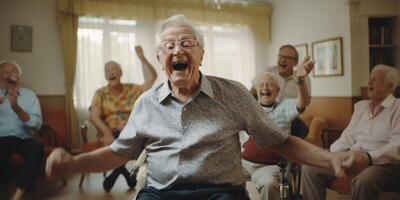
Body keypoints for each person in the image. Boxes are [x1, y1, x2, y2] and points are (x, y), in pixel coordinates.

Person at [46, 14, 349, 200]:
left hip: (221, 193)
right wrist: (73, 164)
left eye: (187, 43)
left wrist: (331, 160)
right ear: (160, 57)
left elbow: (280, 141)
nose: (177, 49)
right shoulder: (146, 103)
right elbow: (117, 153)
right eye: (169, 45)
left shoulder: (234, 93)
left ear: (202, 54)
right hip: (161, 194)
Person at [301, 64, 400, 200]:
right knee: (310, 168)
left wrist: (368, 157)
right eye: (370, 78)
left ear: (390, 86)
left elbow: (396, 147)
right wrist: (332, 155)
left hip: (383, 164)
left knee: (363, 181)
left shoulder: (397, 109)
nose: (369, 82)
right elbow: (347, 137)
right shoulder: (361, 107)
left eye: (376, 80)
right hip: (352, 157)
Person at [241, 59, 312, 200]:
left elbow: (302, 103)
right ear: (256, 90)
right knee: (219, 179)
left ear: (278, 90)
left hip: (267, 166)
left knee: (269, 184)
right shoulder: (247, 108)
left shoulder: (284, 108)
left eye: (270, 84)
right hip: (243, 163)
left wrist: (299, 80)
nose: (265, 87)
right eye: (261, 85)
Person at [89, 45, 157, 191]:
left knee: (143, 142)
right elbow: (94, 116)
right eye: (107, 70)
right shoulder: (100, 93)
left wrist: (142, 58)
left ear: (121, 73)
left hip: (133, 130)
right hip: (111, 132)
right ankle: (128, 175)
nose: (110, 72)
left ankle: (116, 175)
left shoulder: (132, 89)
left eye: (114, 69)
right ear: (105, 75)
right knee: (118, 140)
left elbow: (152, 78)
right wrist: (106, 133)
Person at [0, 60, 43, 200]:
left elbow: (36, 124)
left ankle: (18, 193)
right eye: (6, 72)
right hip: (1, 138)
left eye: (14, 72)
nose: (10, 75)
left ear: (19, 76)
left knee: (36, 148)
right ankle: (7, 188)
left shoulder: (30, 96)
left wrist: (17, 109)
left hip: (23, 138)